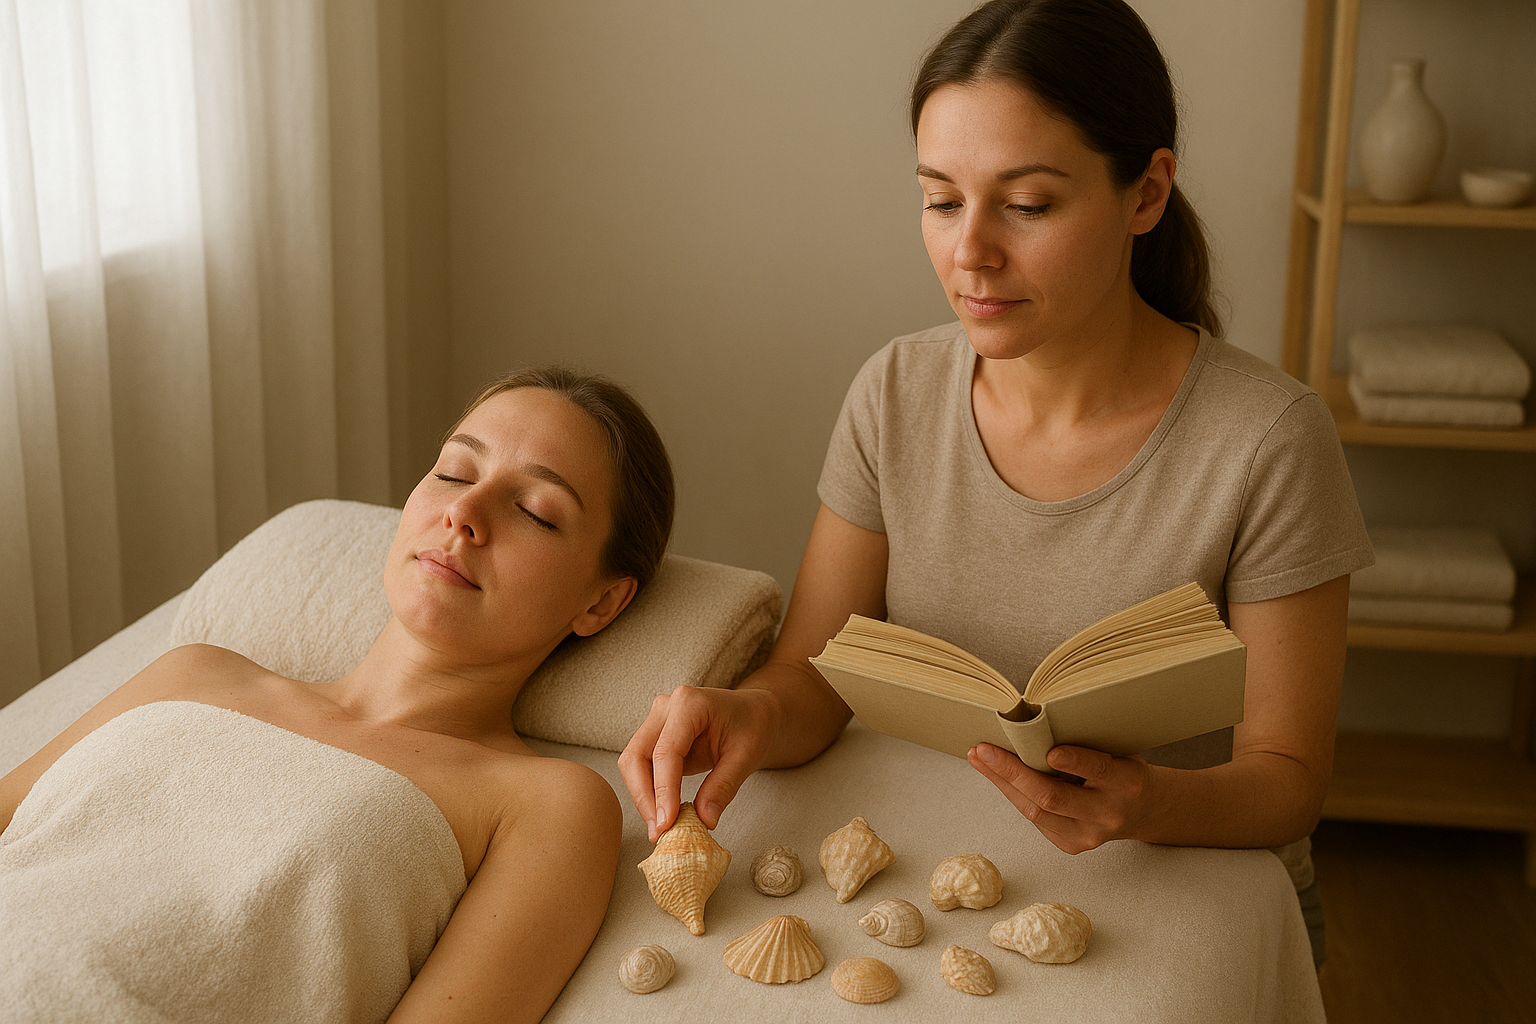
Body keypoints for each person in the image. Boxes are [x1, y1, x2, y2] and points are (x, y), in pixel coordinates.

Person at [618, 0, 1370, 962]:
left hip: (1192, 894)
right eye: (941, 200)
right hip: (947, 891)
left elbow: (1289, 780)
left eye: (1028, 205)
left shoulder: (1268, 439)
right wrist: (747, 711)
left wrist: (1150, 801)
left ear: (1146, 194)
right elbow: (815, 674)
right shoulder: (895, 391)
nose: (970, 250)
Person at [0, 367, 675, 1023]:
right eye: (453, 473)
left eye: (535, 511)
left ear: (602, 601)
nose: (463, 512)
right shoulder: (195, 673)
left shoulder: (544, 803)